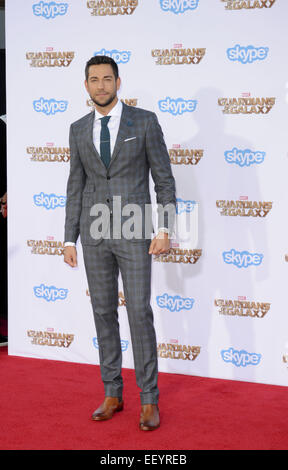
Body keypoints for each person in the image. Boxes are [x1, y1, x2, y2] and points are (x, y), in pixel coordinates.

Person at [64, 56, 176, 431]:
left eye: (107, 79)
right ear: (86, 86)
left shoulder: (143, 121)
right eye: (93, 80)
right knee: (102, 312)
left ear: (118, 82)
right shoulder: (78, 129)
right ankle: (112, 391)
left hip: (135, 230)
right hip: (94, 235)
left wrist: (165, 229)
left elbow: (164, 180)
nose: (100, 86)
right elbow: (75, 187)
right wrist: (69, 238)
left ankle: (149, 399)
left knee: (139, 313)